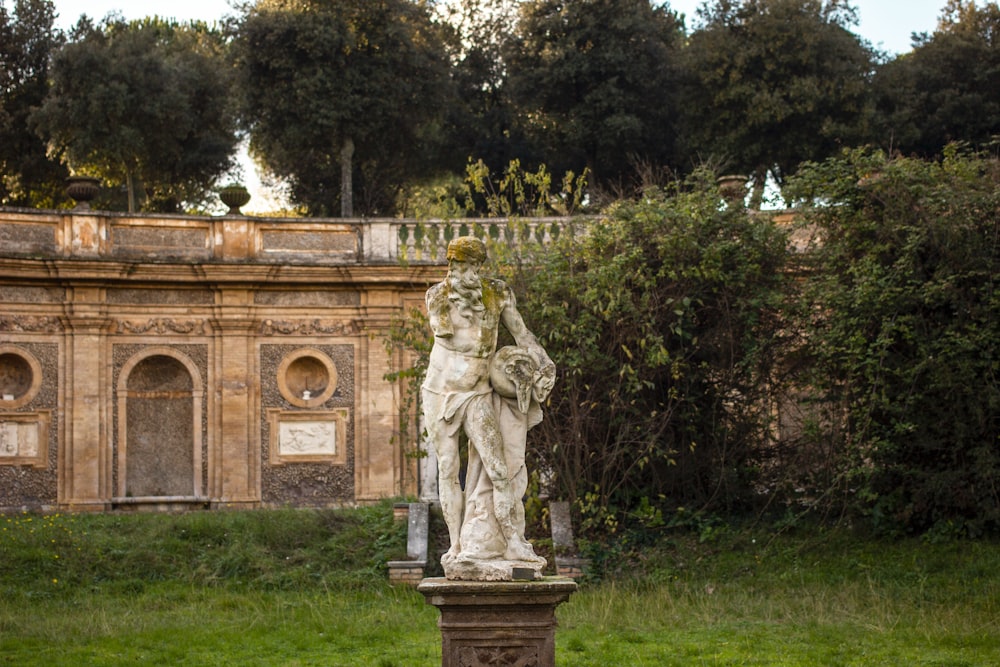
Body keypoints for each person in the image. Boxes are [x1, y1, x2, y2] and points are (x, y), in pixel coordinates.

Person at [421, 236, 555, 576]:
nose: (460, 273)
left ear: (479, 267)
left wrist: (544, 364)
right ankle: (456, 548)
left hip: (478, 393)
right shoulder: (437, 297)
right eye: (455, 266)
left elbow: (523, 335)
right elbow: (447, 336)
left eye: (468, 266)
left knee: (499, 469)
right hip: (440, 392)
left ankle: (513, 541)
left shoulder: (497, 295)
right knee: (449, 471)